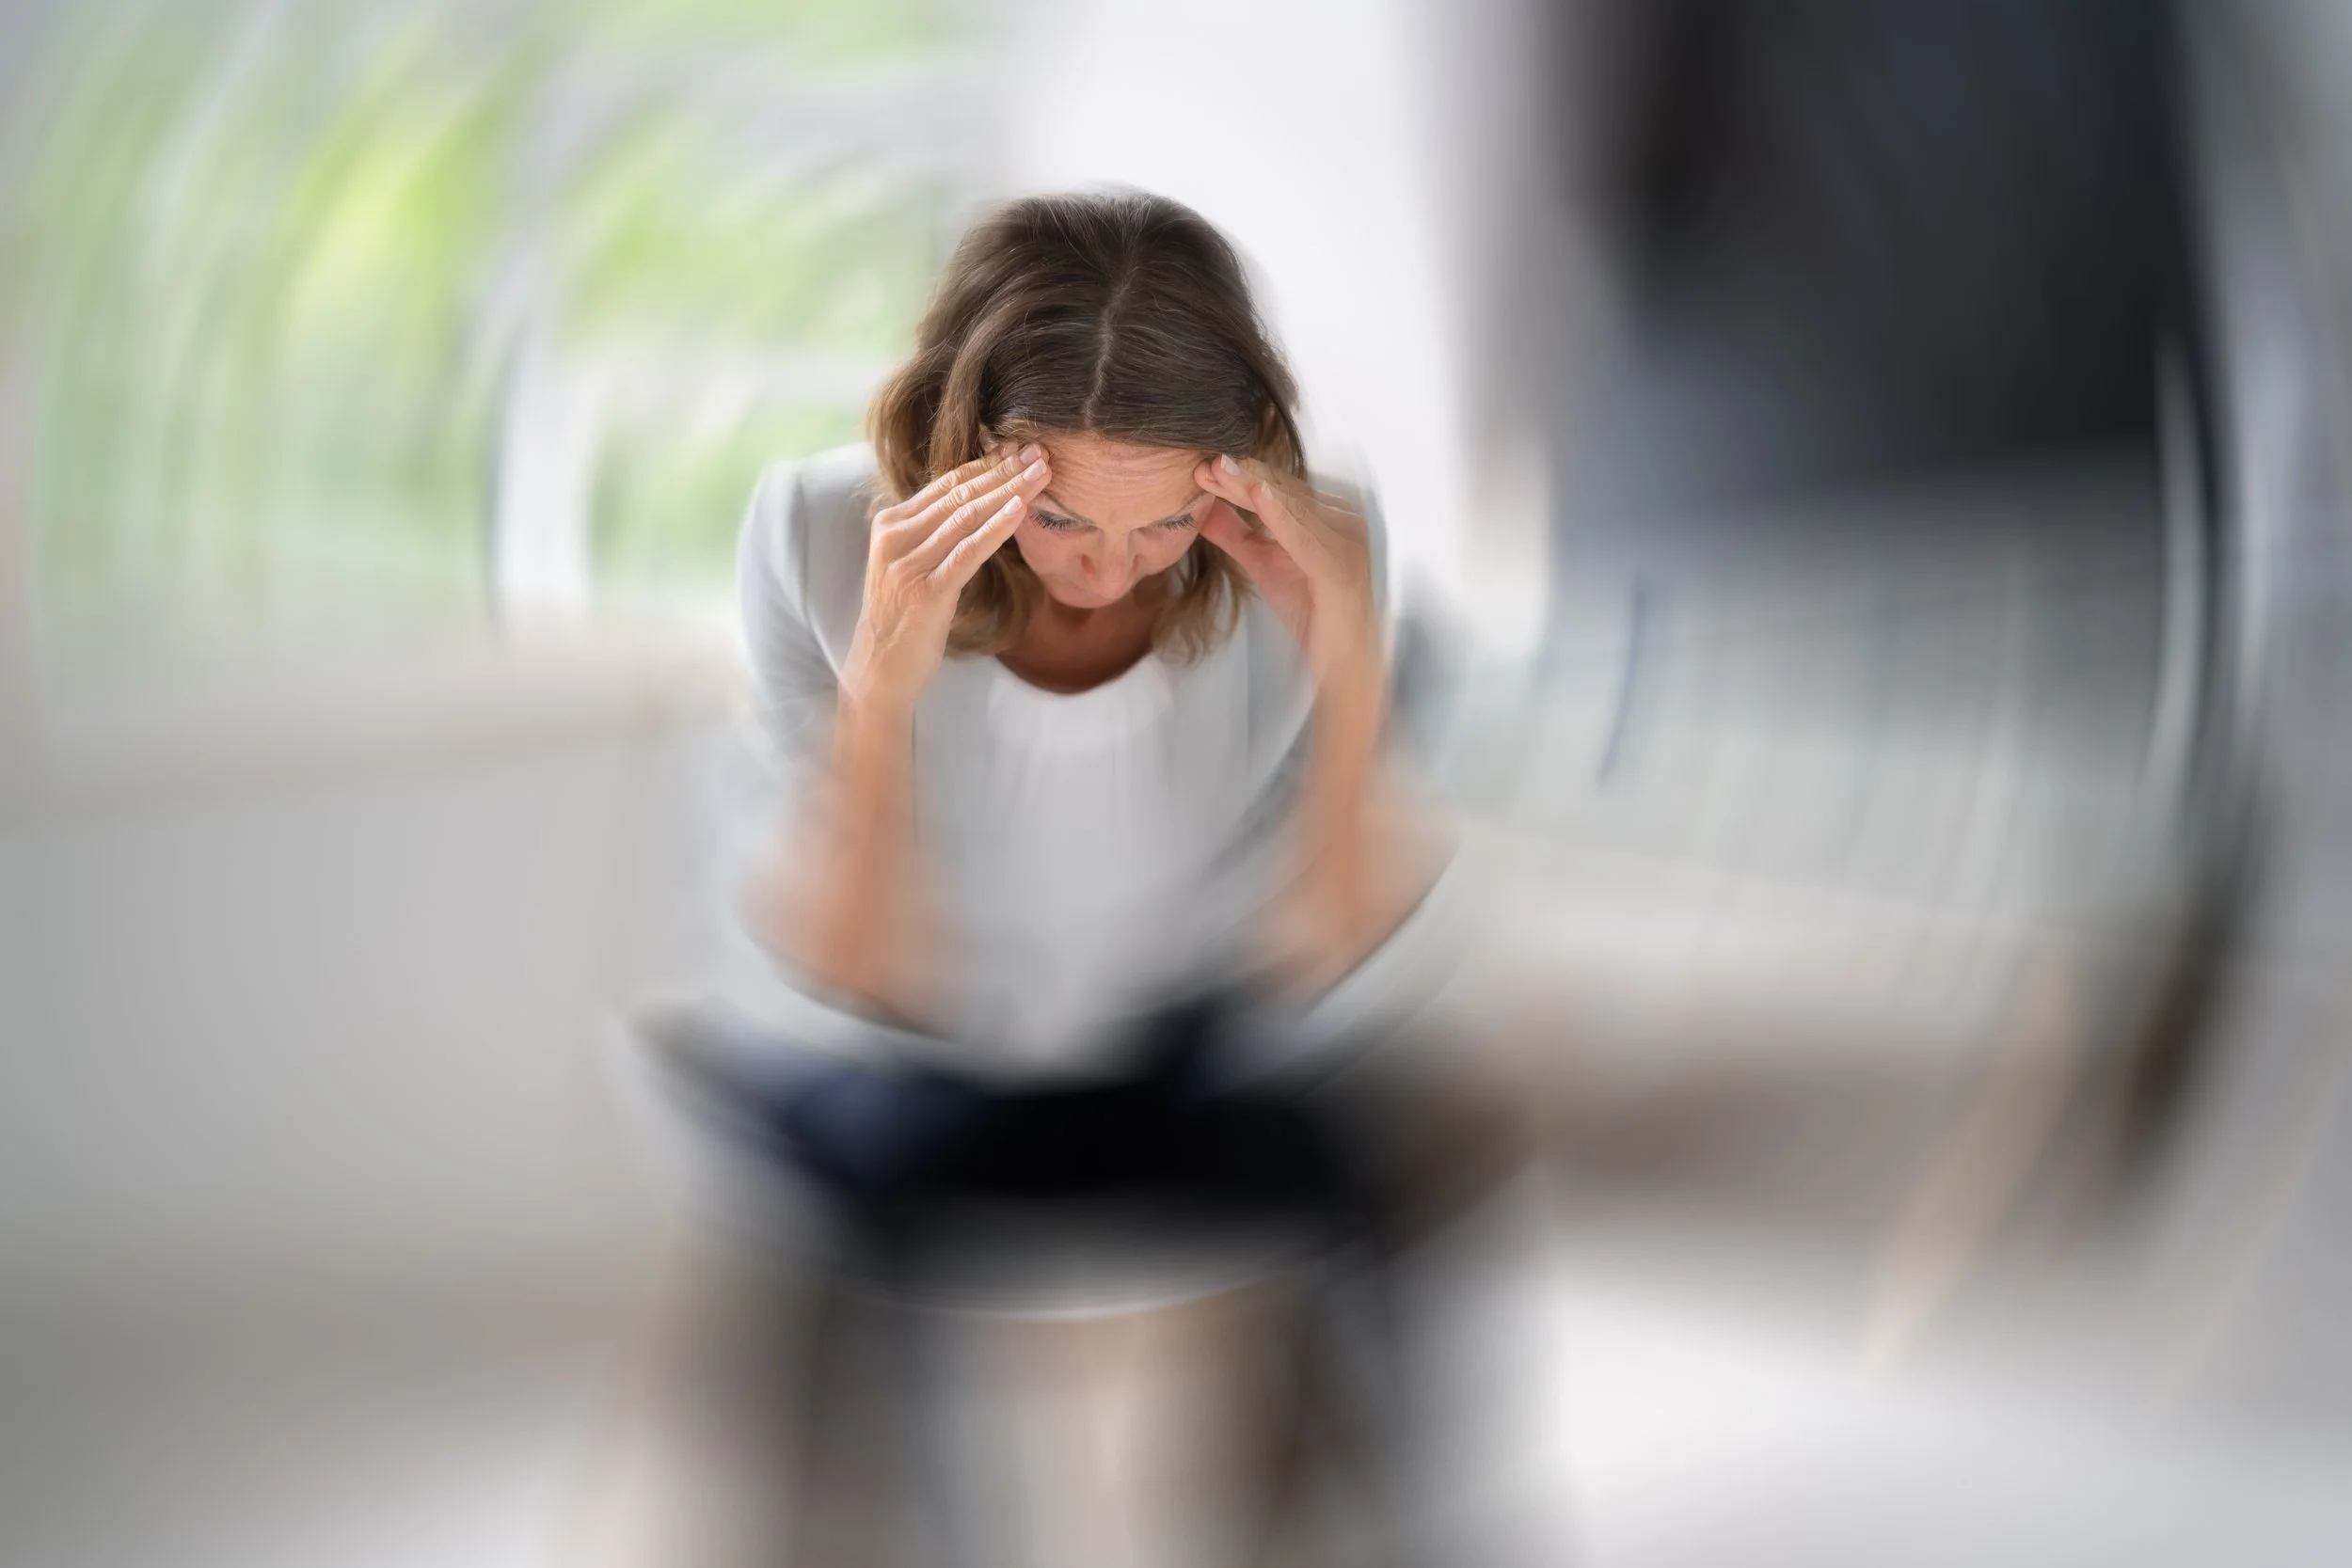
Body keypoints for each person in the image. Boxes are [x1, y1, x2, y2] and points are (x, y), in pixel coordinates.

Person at [718, 189, 1453, 1268]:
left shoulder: (1308, 540)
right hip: (921, 1052)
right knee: (827, 1219)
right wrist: (881, 683)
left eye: (1164, 522)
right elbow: (852, 966)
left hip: (1183, 1041)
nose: (1108, 574)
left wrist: (1346, 660)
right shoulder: (812, 534)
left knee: (1381, 1181)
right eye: (1056, 517)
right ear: (955, 443)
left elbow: (1326, 949)